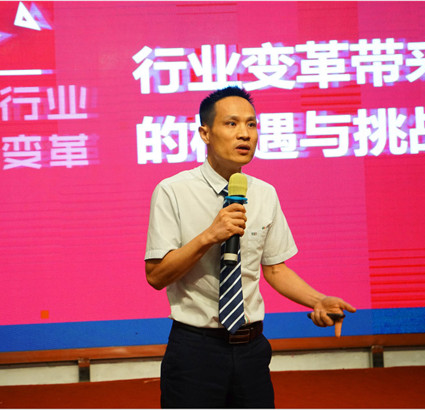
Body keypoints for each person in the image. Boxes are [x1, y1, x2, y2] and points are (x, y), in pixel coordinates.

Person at [144, 86, 356, 408]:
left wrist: (318, 300)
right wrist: (209, 236)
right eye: (231, 124)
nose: (244, 134)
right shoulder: (172, 191)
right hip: (195, 350)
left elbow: (275, 268)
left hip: (251, 349)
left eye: (251, 124)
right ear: (205, 133)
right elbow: (156, 276)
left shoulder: (265, 194)